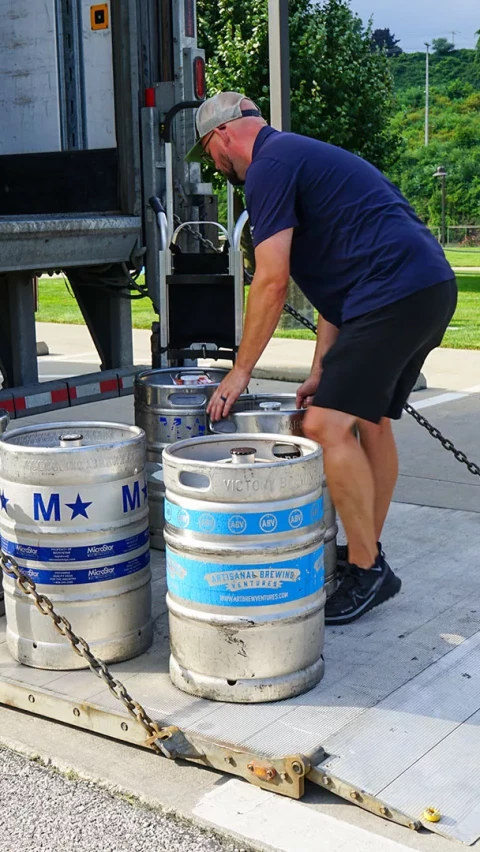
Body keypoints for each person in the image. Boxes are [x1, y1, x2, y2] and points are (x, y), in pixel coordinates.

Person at [186, 91, 457, 625]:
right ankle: (368, 550)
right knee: (371, 423)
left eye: (209, 155)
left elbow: (270, 279)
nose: (216, 167)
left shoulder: (267, 168)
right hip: (422, 287)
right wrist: (319, 371)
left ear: (220, 136)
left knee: (325, 427)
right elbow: (337, 290)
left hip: (392, 293)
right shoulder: (296, 157)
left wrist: (241, 372)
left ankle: (367, 566)